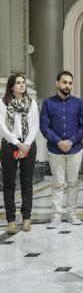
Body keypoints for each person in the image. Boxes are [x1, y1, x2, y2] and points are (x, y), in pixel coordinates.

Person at [40, 71, 83, 229]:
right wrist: (58, 142)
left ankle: (72, 214)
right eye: (64, 82)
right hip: (55, 150)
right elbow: (44, 127)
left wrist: (71, 141)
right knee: (58, 183)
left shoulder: (79, 103)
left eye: (70, 83)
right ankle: (55, 216)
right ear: (57, 83)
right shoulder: (48, 103)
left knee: (73, 183)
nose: (67, 85)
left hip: (75, 149)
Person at [0, 74, 39, 234]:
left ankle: (26, 218)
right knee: (9, 184)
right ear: (11, 86)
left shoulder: (31, 103)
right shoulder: (3, 104)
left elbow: (35, 126)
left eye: (23, 82)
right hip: (10, 146)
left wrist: (26, 145)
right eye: (18, 83)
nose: (22, 85)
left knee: (27, 182)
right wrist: (18, 144)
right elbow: (2, 126)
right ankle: (10, 220)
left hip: (28, 146)